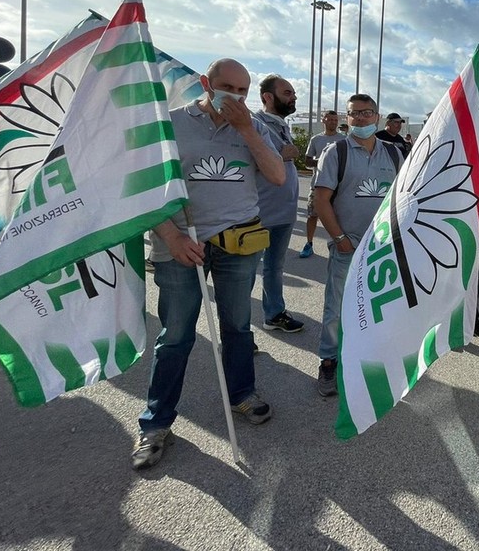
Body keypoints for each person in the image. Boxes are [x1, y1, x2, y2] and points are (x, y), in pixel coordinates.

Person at [132, 58, 285, 470]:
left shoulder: (254, 126)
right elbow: (145, 188)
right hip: (181, 245)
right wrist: (172, 237)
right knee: (176, 335)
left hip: (238, 243)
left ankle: (242, 395)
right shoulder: (171, 124)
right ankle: (156, 422)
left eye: (242, 90)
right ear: (205, 83)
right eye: (227, 87)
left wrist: (247, 130)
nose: (234, 96)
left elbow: (277, 176)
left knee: (237, 326)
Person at [314, 95, 404, 396]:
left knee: (380, 307)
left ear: (377, 117)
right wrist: (340, 239)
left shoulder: (393, 153)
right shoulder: (335, 152)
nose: (361, 118)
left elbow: (402, 197)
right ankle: (329, 361)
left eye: (367, 113)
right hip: (348, 246)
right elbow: (321, 200)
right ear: (347, 118)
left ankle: (370, 360)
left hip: (382, 248)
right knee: (337, 307)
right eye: (355, 114)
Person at [253, 75, 305, 332]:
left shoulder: (281, 126)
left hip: (284, 213)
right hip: (258, 214)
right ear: (267, 97)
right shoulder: (253, 123)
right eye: (287, 93)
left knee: (274, 267)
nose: (293, 97)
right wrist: (281, 154)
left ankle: (274, 314)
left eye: (293, 93)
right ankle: (237, 333)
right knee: (243, 274)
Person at [300, 110, 343, 258]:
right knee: (312, 215)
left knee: (339, 217)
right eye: (330, 119)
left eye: (335, 120)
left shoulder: (343, 140)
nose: (333, 122)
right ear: (323, 121)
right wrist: (324, 161)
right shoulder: (316, 139)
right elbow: (307, 161)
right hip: (318, 185)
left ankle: (339, 244)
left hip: (339, 187)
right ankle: (309, 243)